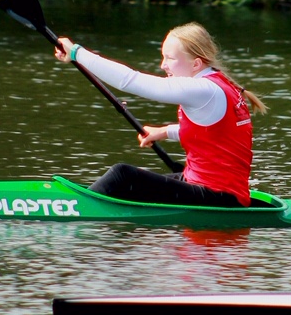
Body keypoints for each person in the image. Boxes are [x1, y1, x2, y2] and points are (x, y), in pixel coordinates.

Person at [54, 22, 267, 207]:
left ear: (196, 63)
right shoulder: (219, 84)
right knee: (134, 181)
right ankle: (89, 203)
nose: (163, 65)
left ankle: (76, 208)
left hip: (218, 196)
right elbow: (215, 134)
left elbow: (130, 80)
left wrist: (77, 53)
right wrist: (165, 132)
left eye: (170, 58)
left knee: (123, 176)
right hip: (215, 187)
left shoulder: (203, 89)